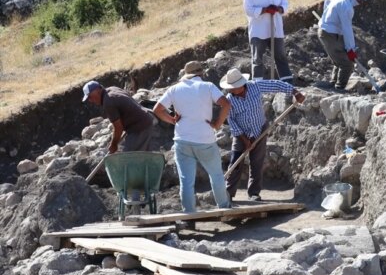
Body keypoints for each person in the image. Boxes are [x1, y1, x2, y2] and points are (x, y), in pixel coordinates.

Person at [152, 61, 231, 213]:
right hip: (205, 138)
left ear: (186, 74)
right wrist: (217, 124)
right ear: (201, 73)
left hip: (182, 140)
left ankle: (189, 214)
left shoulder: (174, 89)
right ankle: (224, 208)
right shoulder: (208, 86)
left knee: (186, 181)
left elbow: (157, 109)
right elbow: (226, 104)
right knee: (216, 175)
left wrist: (172, 120)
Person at [219, 68, 305, 201]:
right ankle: (228, 193)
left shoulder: (255, 86)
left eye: (232, 88)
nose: (230, 90)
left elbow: (276, 84)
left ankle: (254, 193)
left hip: (260, 129)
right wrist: (245, 139)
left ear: (241, 85)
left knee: (257, 162)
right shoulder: (229, 100)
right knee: (236, 162)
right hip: (241, 134)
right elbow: (232, 121)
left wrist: (295, 92)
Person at [243, 0, 292, 83]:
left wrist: (279, 9)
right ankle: (258, 84)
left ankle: (287, 83)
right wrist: (264, 10)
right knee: (257, 58)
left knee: (280, 56)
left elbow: (285, 4)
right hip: (258, 31)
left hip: (276, 29)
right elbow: (248, 10)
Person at [82, 81, 157, 154]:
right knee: (143, 156)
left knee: (130, 158)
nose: (90, 100)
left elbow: (118, 128)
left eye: (90, 97)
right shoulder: (112, 89)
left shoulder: (108, 102)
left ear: (97, 90)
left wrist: (114, 145)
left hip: (140, 128)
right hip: (144, 121)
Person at [318, 0, 368, 90]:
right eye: (361, 0)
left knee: (339, 60)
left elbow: (327, 1)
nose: (362, 2)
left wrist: (326, 18)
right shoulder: (347, 7)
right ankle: (340, 88)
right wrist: (350, 49)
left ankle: (333, 83)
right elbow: (347, 29)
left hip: (327, 31)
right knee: (347, 64)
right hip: (329, 34)